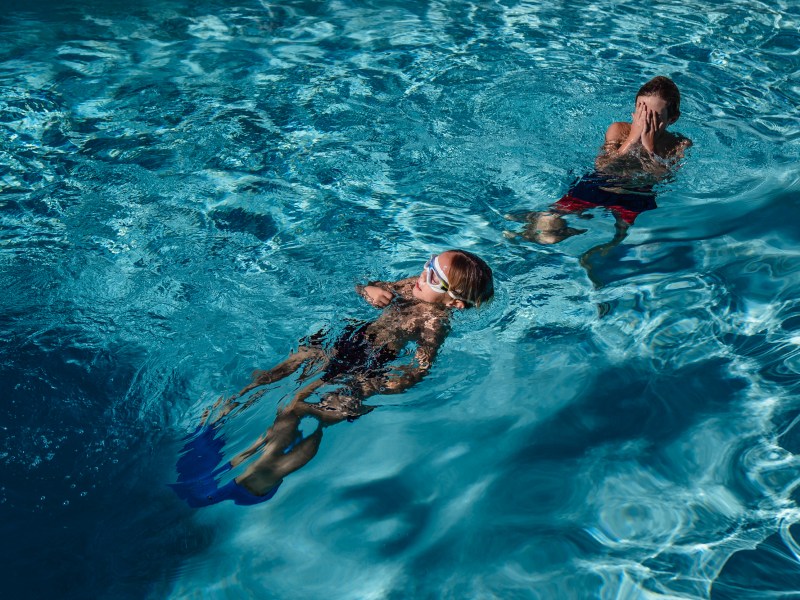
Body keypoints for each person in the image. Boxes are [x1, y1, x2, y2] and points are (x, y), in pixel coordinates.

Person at [170, 249, 494, 507]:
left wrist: (382, 386)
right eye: (429, 264)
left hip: (372, 363)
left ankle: (267, 469)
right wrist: (370, 290)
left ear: (453, 302)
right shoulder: (414, 284)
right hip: (348, 337)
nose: (424, 274)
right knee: (271, 376)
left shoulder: (435, 322)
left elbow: (421, 367)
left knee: (302, 409)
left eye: (435, 276)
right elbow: (371, 287)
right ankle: (218, 421)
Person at [506, 76, 692, 245]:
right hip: (598, 185)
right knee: (549, 231)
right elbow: (602, 167)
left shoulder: (679, 144)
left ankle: (589, 245)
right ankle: (534, 228)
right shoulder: (619, 130)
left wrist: (649, 147)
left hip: (637, 196)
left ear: (673, 119)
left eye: (654, 117)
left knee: (620, 239)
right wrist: (631, 140)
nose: (645, 122)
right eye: (642, 113)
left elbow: (663, 180)